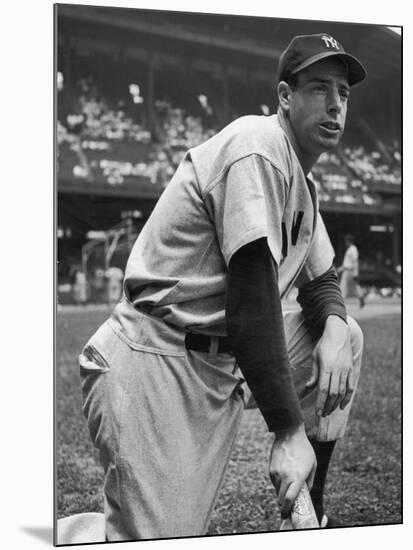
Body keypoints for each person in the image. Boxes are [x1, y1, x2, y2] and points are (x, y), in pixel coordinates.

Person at [78, 33, 365, 541]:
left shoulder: (303, 181)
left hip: (217, 364)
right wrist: (287, 430)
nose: (336, 104)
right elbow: (252, 295)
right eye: (320, 88)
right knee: (150, 538)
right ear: (284, 96)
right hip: (155, 363)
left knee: (347, 339)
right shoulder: (257, 145)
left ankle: (305, 518)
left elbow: (322, 282)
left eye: (343, 93)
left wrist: (338, 327)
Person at [338, 234, 366, 308]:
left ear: (349, 241)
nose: (345, 243)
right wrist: (341, 268)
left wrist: (356, 272)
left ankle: (340, 303)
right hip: (347, 269)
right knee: (354, 286)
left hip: (350, 271)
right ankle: (361, 297)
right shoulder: (350, 249)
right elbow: (347, 262)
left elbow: (355, 261)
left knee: (343, 286)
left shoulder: (353, 249)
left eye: (346, 241)